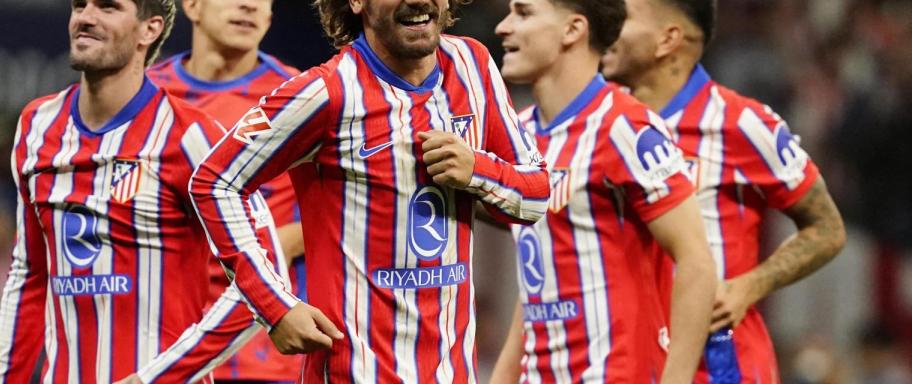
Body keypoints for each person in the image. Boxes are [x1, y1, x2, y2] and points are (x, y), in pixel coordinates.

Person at [188, 0, 552, 381]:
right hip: (353, 372)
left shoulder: (472, 65)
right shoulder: (327, 92)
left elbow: (537, 194)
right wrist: (273, 307)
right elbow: (215, 181)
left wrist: (476, 170)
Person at [0, 0, 322, 382]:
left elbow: (271, 269)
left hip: (254, 360)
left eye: (108, 7)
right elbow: (30, 273)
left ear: (150, 29)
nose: (86, 17)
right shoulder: (38, 126)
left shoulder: (205, 130)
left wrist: (156, 378)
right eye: (80, 5)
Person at [600, 0, 846, 382]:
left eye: (624, 18)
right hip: (628, 359)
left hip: (719, 364)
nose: (606, 28)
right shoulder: (602, 126)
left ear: (668, 39)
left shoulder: (740, 123)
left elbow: (828, 229)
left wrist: (748, 287)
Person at [488, 0, 716, 383]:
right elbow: (538, 282)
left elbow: (697, 263)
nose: (503, 27)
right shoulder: (518, 136)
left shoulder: (625, 126)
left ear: (573, 30)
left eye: (523, 13)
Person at [146, 0, 307, 382]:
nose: (248, 5)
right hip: (166, 350)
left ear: (270, 15)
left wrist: (282, 242)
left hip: (268, 354)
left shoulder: (301, 95)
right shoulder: (149, 95)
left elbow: (349, 208)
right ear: (192, 6)